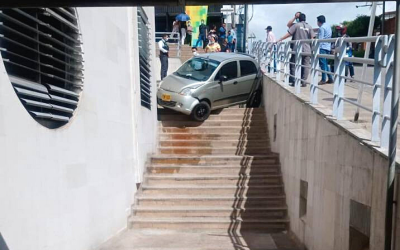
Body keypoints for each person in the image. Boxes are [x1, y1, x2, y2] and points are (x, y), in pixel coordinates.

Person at [277, 13, 315, 87]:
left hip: (297, 49)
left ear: (298, 18)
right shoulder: (309, 26)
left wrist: (280, 39)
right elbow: (312, 38)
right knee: (306, 65)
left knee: (293, 64)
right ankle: (303, 82)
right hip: (307, 49)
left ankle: (294, 81)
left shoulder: (296, 25)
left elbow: (289, 33)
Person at [317, 15, 334, 85]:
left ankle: (323, 79)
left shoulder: (321, 28)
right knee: (326, 64)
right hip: (328, 47)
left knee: (323, 64)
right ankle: (330, 78)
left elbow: (320, 39)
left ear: (319, 21)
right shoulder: (328, 26)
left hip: (322, 47)